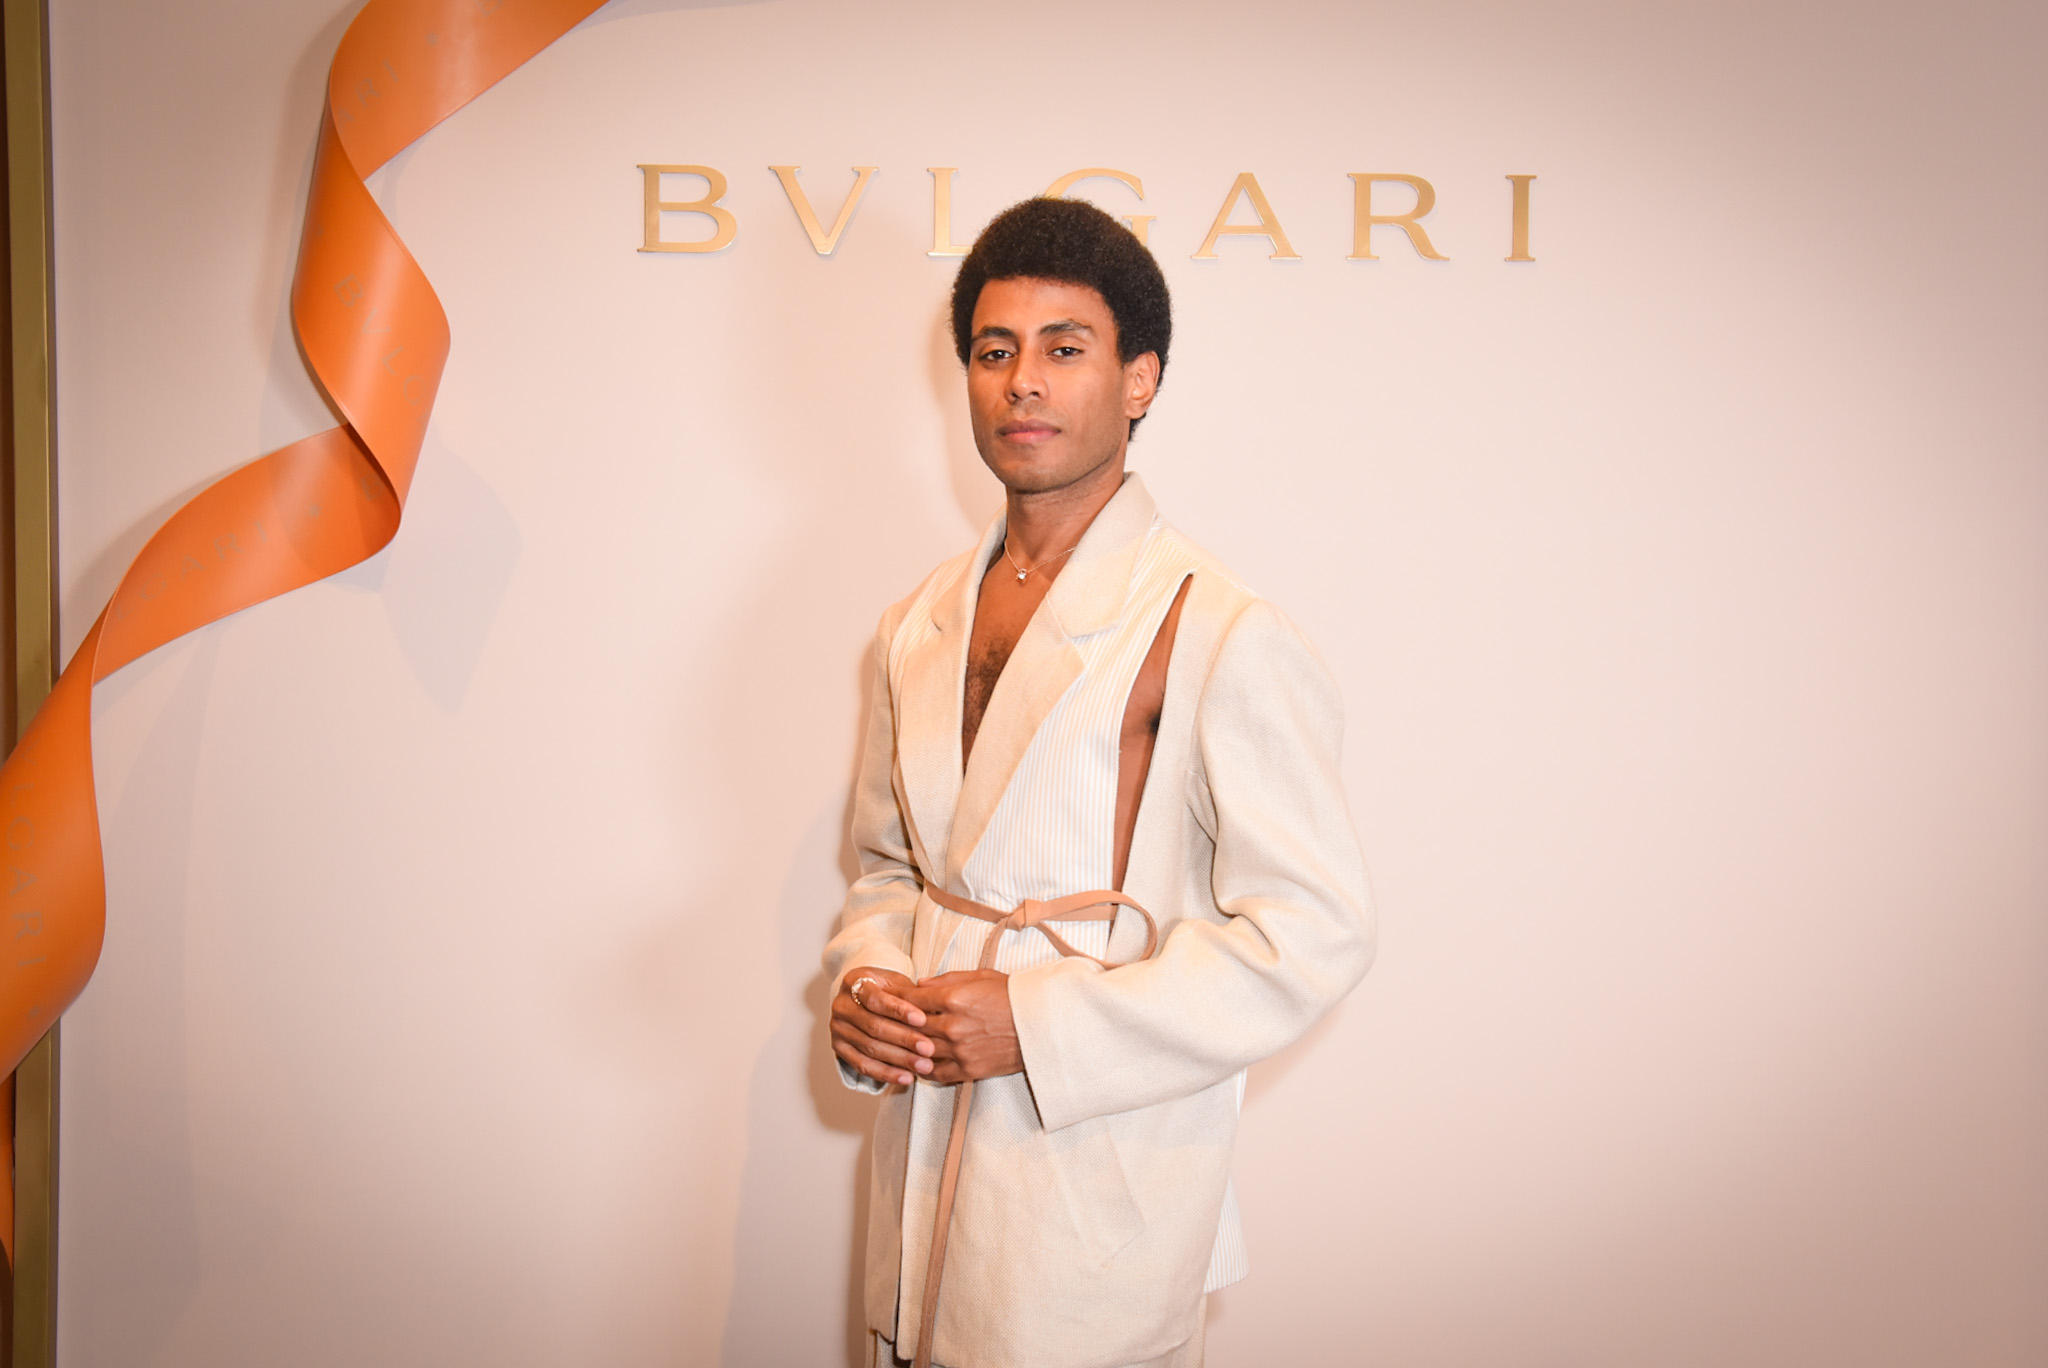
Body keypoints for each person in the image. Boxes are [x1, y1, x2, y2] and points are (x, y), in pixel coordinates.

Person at [824, 195, 1375, 1368]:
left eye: (1063, 348)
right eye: (993, 350)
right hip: (918, 1154)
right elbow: (886, 867)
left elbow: (1313, 936)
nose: (1022, 381)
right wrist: (866, 980)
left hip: (1096, 1178)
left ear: (1138, 380)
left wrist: (1035, 1024)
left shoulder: (1218, 626)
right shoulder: (914, 622)